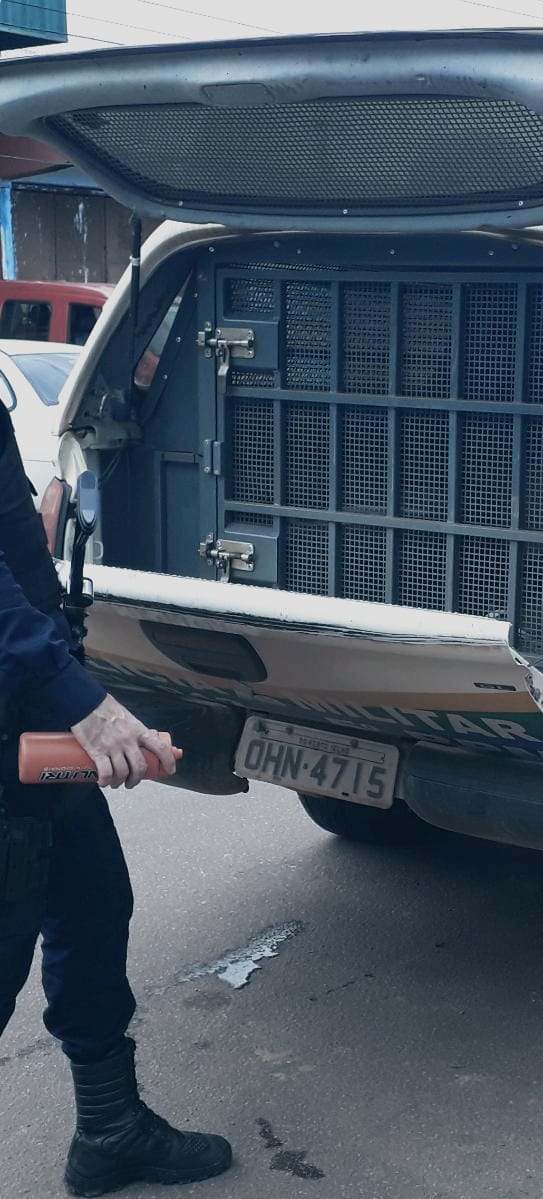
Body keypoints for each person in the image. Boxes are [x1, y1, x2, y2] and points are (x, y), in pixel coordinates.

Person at [0, 396, 232, 1196]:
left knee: (94, 900)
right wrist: (83, 703)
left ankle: (108, 1130)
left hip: (31, 724)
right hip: (22, 713)